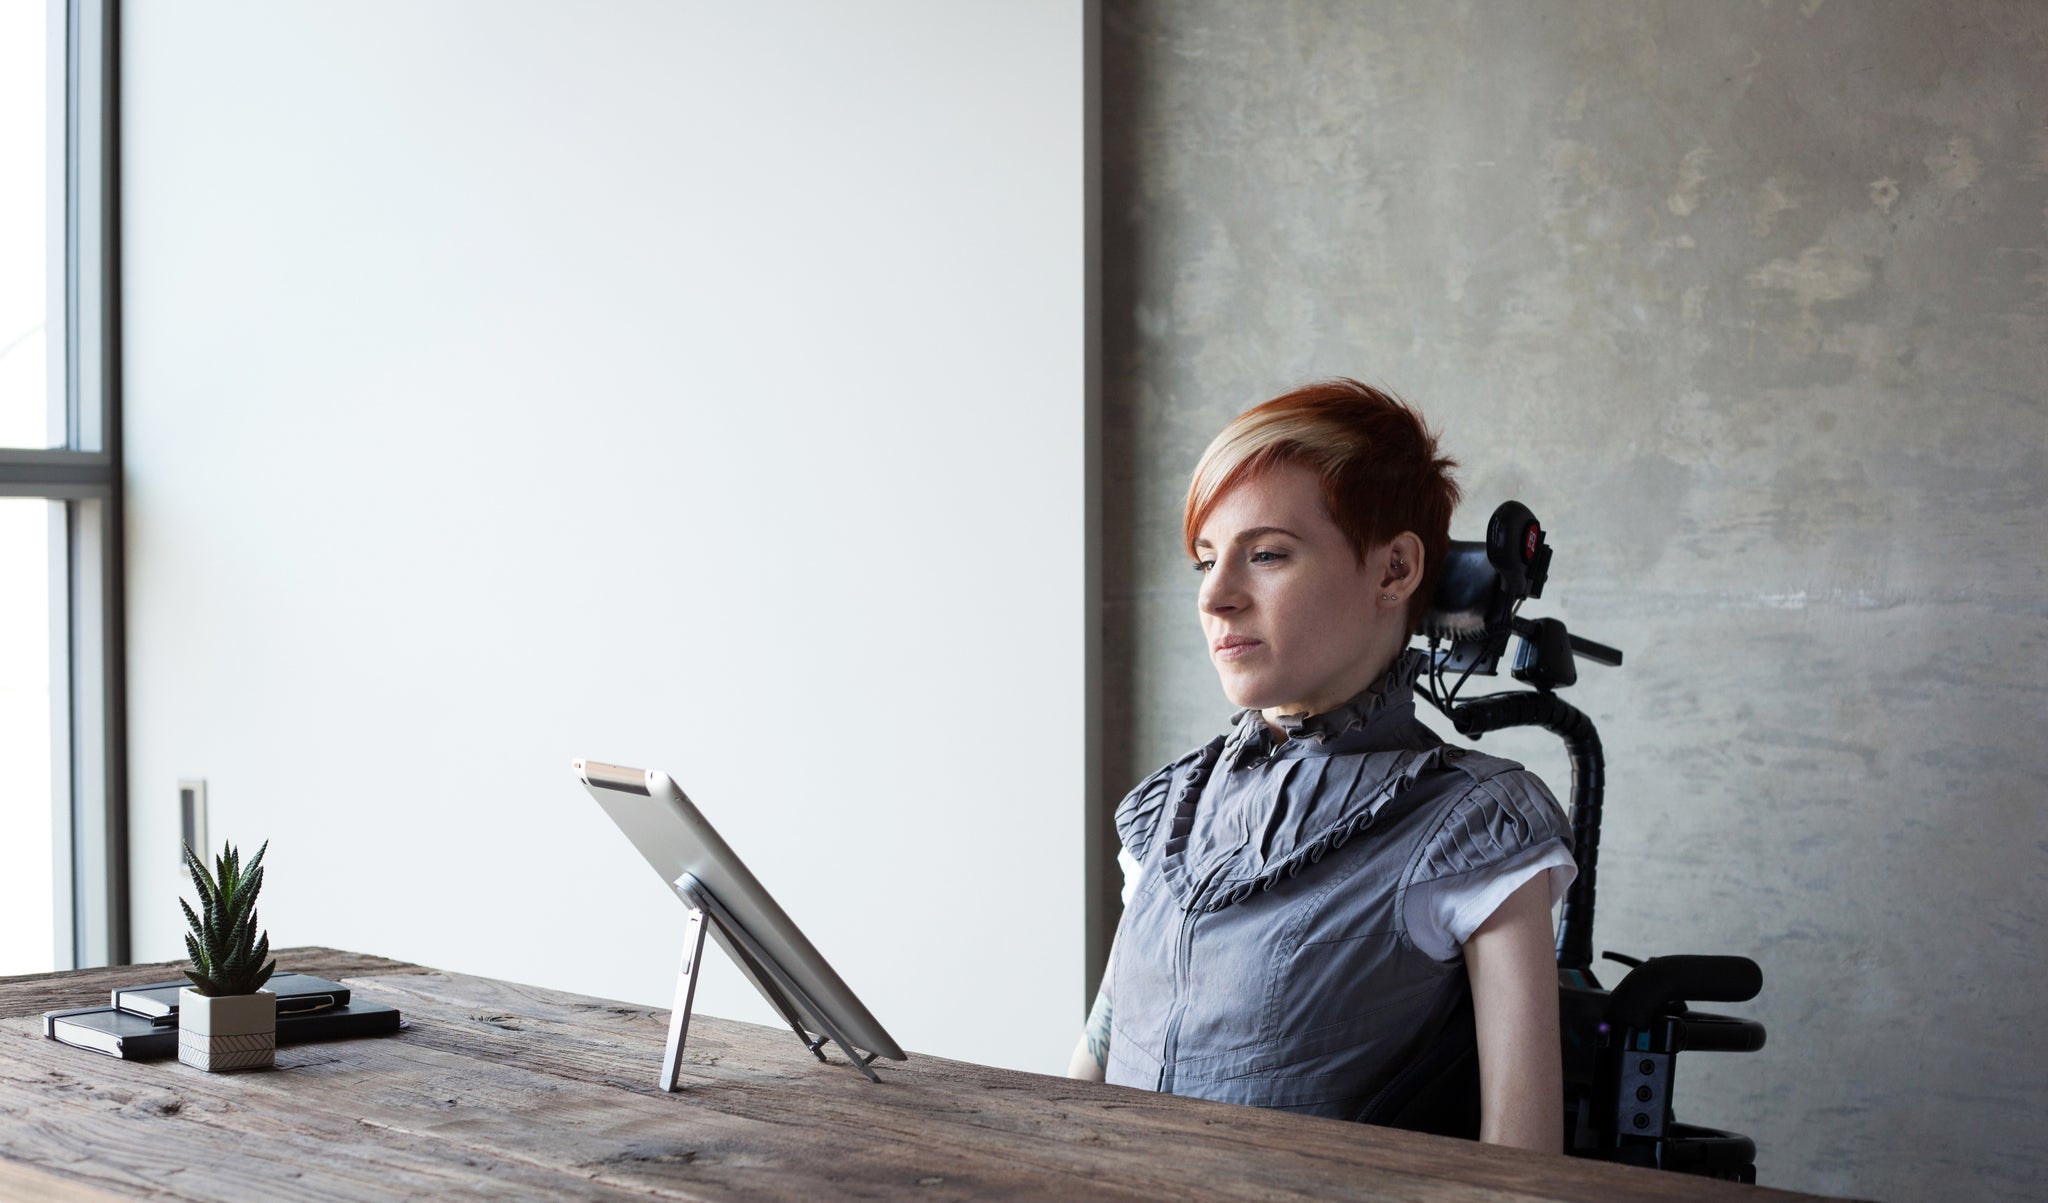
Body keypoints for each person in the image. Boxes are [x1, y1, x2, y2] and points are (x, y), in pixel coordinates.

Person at [1066, 379, 1576, 1153]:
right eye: (1206, 560)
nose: (1217, 597)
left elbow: (1522, 1170)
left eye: (1266, 553)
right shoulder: (1168, 812)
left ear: (1394, 570)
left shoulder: (1476, 827)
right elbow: (1085, 1080)